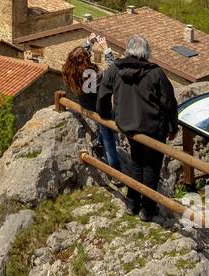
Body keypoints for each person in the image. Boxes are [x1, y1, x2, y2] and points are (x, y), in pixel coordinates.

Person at [97, 35, 178, 222]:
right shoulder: (155, 73)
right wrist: (173, 126)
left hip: (127, 125)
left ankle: (132, 203)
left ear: (128, 49)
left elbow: (102, 94)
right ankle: (147, 209)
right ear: (146, 52)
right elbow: (169, 102)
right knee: (151, 167)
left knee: (136, 162)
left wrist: (105, 115)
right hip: (152, 127)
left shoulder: (115, 69)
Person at [62, 42, 120, 171]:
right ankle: (115, 170)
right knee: (109, 137)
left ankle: (97, 143)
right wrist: (106, 50)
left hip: (85, 105)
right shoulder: (94, 76)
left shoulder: (70, 71)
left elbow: (79, 57)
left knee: (105, 132)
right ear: (86, 60)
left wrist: (90, 42)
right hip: (100, 109)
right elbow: (113, 69)